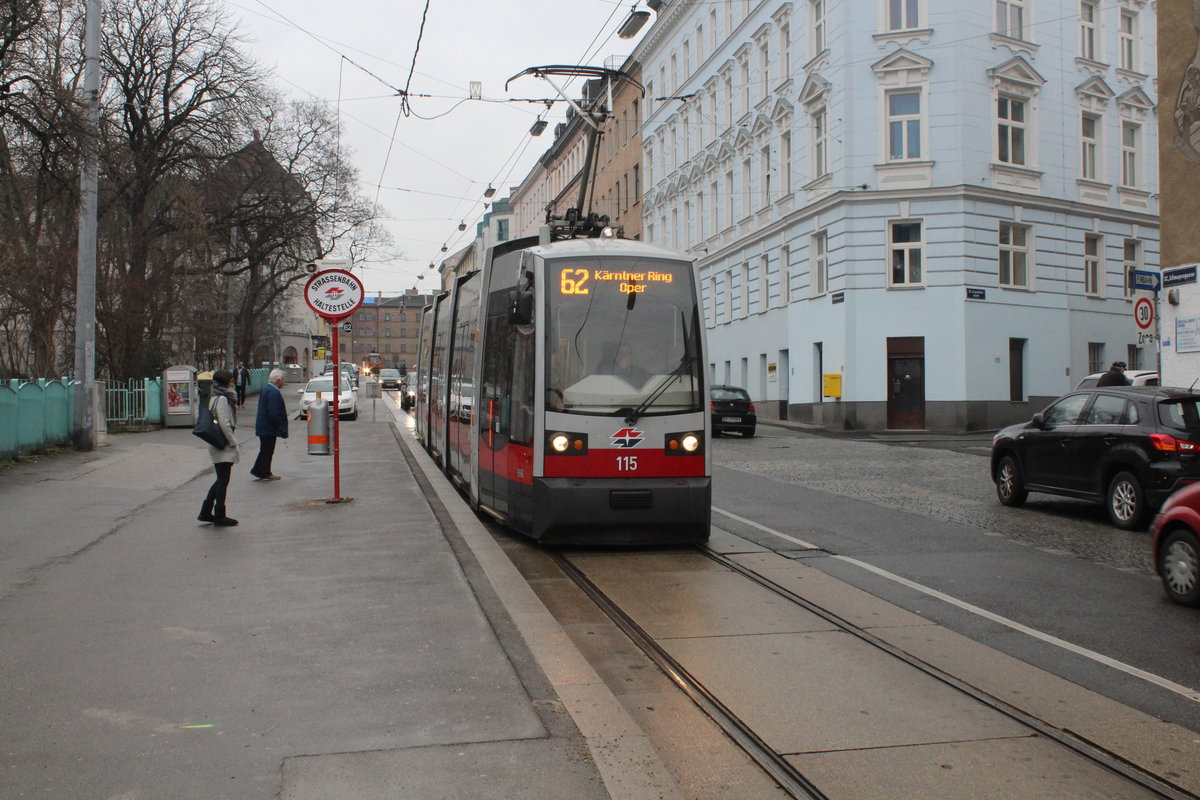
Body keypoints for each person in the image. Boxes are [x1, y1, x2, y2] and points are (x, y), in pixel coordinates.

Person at [199, 370, 240, 526]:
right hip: (222, 443)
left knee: (221, 480)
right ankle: (219, 514)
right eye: (231, 380)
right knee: (223, 480)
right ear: (227, 382)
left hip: (217, 442)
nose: (233, 383)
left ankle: (206, 512)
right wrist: (233, 442)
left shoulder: (214, 396)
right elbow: (224, 423)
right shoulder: (222, 399)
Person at [251, 369, 288, 480]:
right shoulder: (273, 392)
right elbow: (274, 411)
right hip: (269, 427)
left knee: (265, 450)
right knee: (267, 450)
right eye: (283, 380)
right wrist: (278, 424)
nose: (284, 382)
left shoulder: (267, 389)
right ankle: (264, 472)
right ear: (278, 380)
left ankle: (259, 470)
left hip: (264, 426)